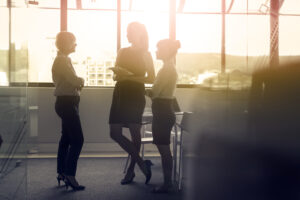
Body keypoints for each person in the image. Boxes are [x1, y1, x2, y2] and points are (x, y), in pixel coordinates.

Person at [109, 22, 155, 185]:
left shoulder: (146, 54)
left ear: (139, 34)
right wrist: (119, 75)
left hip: (135, 95)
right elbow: (115, 77)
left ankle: (130, 171)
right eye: (126, 32)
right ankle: (142, 164)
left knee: (135, 135)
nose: (127, 35)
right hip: (120, 93)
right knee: (114, 133)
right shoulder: (122, 51)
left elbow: (151, 78)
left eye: (129, 32)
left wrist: (128, 76)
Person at [146, 39, 181, 193]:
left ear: (167, 51)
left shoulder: (166, 69)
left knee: (164, 150)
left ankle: (167, 183)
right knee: (164, 149)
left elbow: (154, 93)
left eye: (159, 48)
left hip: (162, 112)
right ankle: (168, 182)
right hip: (164, 111)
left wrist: (135, 85)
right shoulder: (170, 68)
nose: (156, 51)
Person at [52, 31, 85, 191]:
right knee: (78, 140)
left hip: (66, 102)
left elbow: (71, 82)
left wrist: (77, 83)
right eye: (73, 42)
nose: (76, 44)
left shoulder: (63, 59)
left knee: (66, 139)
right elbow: (74, 80)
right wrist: (81, 81)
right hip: (67, 103)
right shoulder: (62, 60)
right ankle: (70, 175)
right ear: (66, 44)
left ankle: (61, 173)